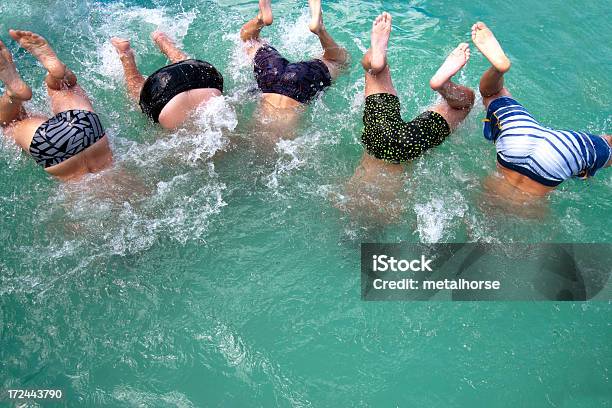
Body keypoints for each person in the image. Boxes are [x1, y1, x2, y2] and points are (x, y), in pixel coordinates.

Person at [343, 13, 474, 220]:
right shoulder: (344, 199)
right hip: (377, 138)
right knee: (375, 72)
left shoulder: (387, 215)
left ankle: (442, 84)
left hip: (407, 148)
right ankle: (377, 61)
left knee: (464, 104)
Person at [472, 22, 611, 196]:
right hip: (555, 147)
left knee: (493, 93)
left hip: (527, 140)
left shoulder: (487, 205)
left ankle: (499, 68)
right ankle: (499, 69)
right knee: (492, 93)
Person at [0, 30, 112, 181]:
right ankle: (19, 89)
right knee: (15, 121)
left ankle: (48, 78)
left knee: (65, 90)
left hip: (85, 130)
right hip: (82, 142)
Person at [239, 0, 348, 135]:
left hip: (297, 89)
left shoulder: (273, 145)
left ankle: (320, 29)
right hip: (270, 78)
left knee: (338, 61)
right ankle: (261, 18)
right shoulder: (251, 136)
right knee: (250, 41)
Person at [110, 31, 223, 130]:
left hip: (204, 80)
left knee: (184, 64)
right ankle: (126, 54)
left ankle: (161, 39)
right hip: (167, 99)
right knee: (138, 92)